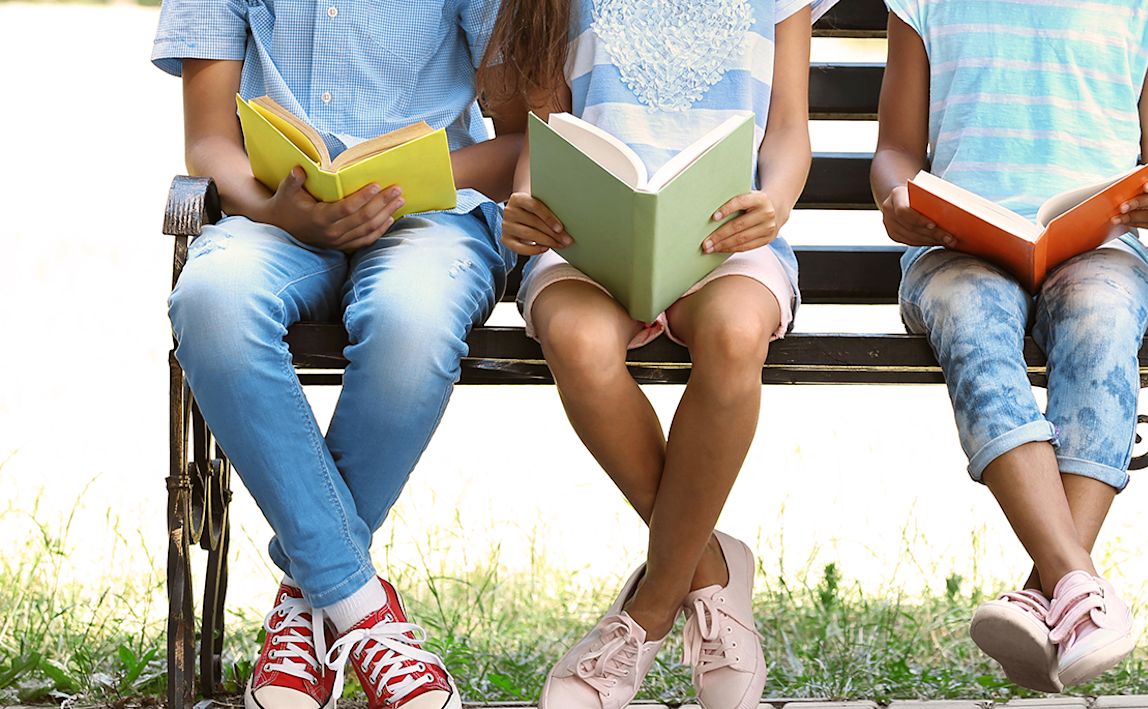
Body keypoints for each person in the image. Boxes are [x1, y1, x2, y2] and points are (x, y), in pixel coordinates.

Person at [154, 1, 520, 707]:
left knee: (411, 321)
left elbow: (515, 146)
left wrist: (396, 186)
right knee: (211, 302)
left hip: (432, 215)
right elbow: (207, 143)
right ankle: (361, 611)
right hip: (276, 213)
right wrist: (275, 209)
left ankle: (308, 597)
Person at [480, 1, 829, 708]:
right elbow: (545, 135)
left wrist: (776, 199)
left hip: (726, 241)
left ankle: (644, 616)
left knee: (735, 334)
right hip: (589, 238)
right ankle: (708, 566)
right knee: (577, 340)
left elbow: (791, 129)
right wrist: (524, 198)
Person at [868, 0, 1148, 692]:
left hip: (1099, 249)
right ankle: (1075, 586)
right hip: (960, 246)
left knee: (1102, 320)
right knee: (973, 322)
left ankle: (1047, 592)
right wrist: (898, 197)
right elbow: (896, 152)